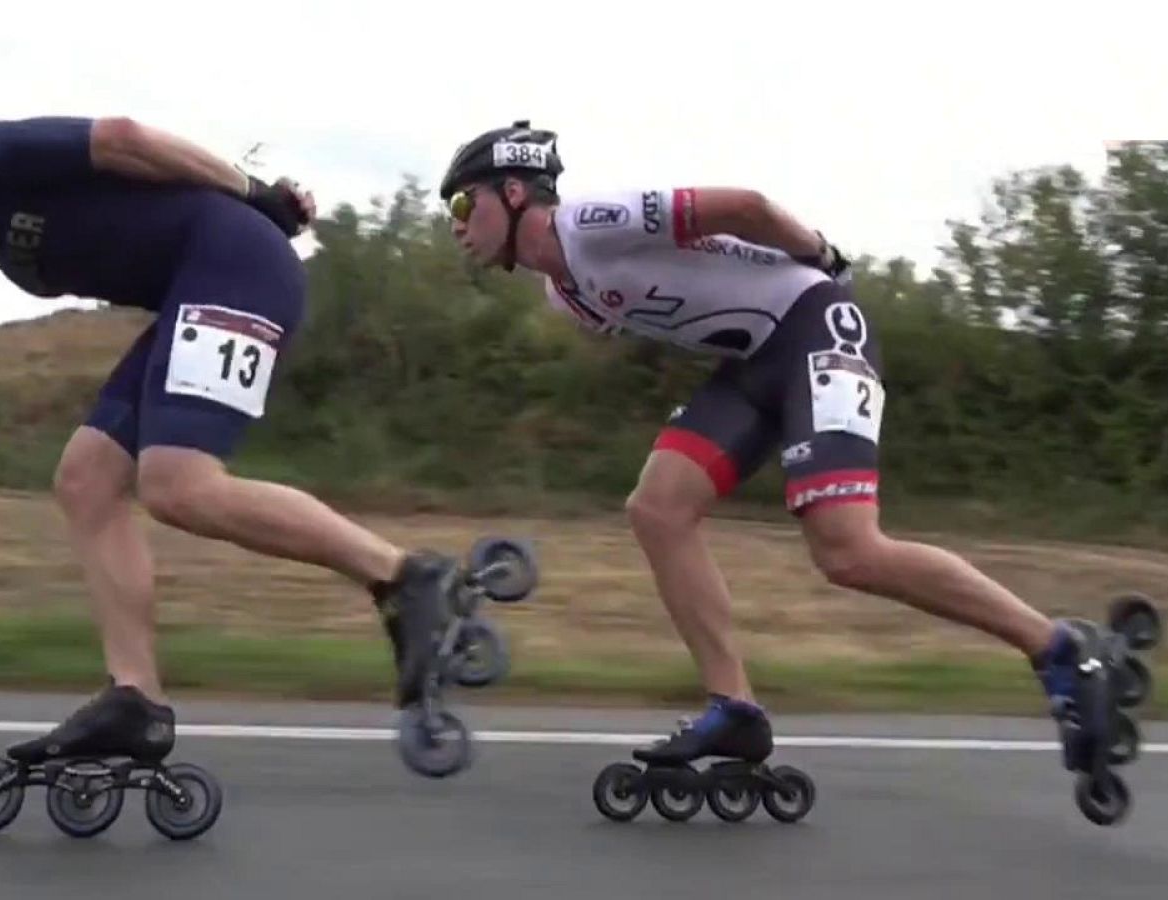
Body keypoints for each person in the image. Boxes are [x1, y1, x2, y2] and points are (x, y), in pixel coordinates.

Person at [0, 84, 462, 771]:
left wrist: (257, 195)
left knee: (178, 485)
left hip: (236, 267)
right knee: (87, 479)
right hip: (202, 283)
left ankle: (405, 576)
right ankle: (135, 699)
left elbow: (122, 138)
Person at [436, 120, 1097, 771]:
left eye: (465, 204)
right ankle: (735, 709)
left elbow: (746, 208)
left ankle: (1057, 648)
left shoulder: (588, 223)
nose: (457, 225)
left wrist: (822, 254)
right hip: (757, 362)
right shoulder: (566, 296)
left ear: (515, 192)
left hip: (816, 327)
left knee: (847, 550)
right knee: (658, 509)